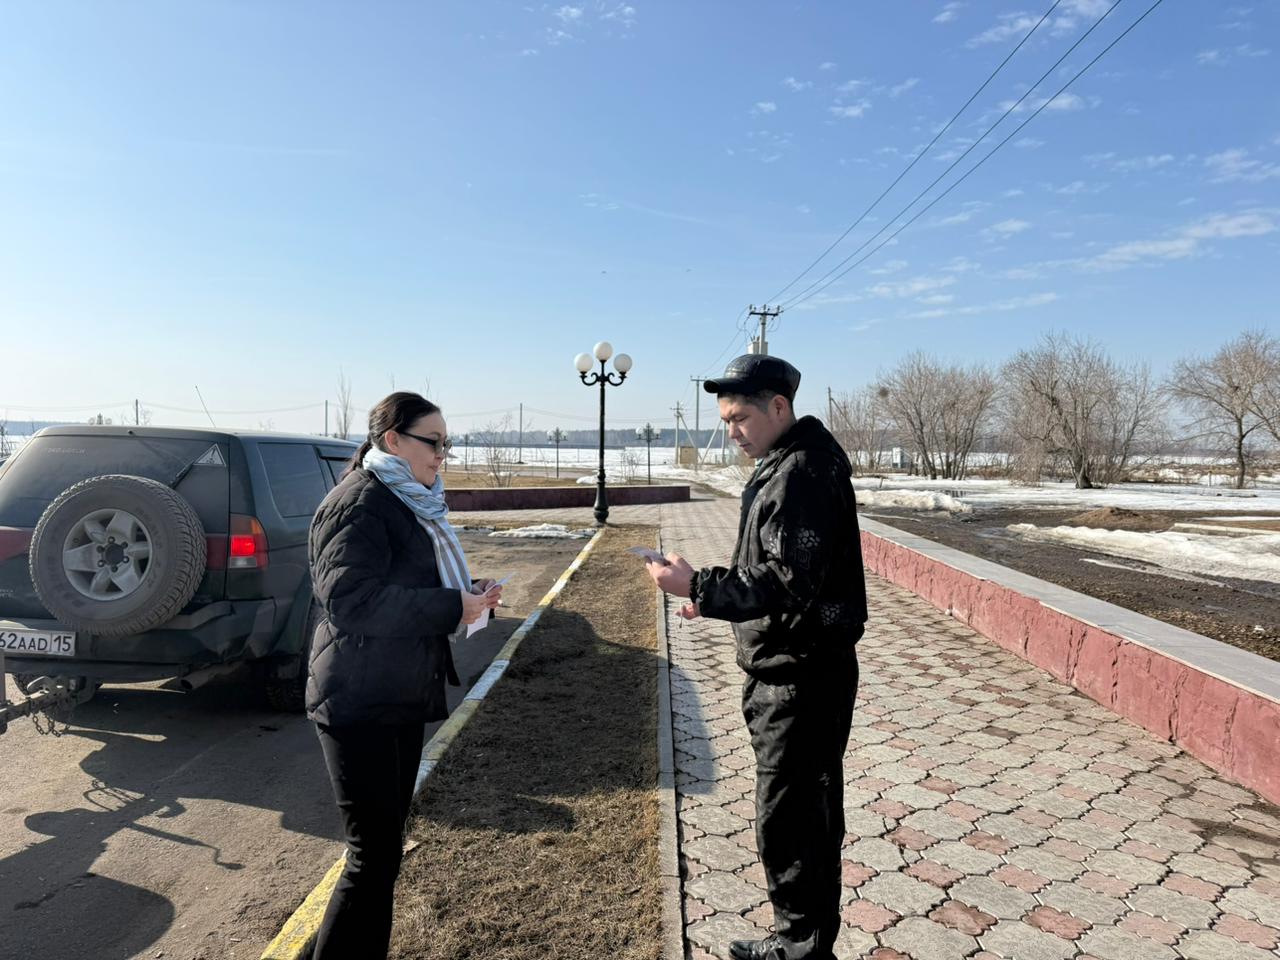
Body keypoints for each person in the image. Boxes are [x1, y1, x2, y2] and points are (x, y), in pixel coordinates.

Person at [646, 355, 867, 960]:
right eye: (725, 420)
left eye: (740, 418)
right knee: (794, 813)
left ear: (779, 406)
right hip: (789, 671)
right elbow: (774, 570)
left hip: (802, 677)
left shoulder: (802, 471)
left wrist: (699, 585)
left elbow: (789, 579)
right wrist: (710, 599)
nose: (732, 432)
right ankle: (801, 941)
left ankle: (801, 947)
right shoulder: (787, 463)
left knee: (793, 818)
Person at [306, 391, 502, 960]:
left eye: (447, 443)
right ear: (393, 440)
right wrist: (449, 606)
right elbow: (350, 600)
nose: (443, 454)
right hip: (356, 697)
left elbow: (409, 580)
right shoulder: (360, 501)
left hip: (394, 691)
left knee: (383, 851)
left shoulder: (409, 499)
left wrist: (466, 594)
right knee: (371, 855)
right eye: (433, 442)